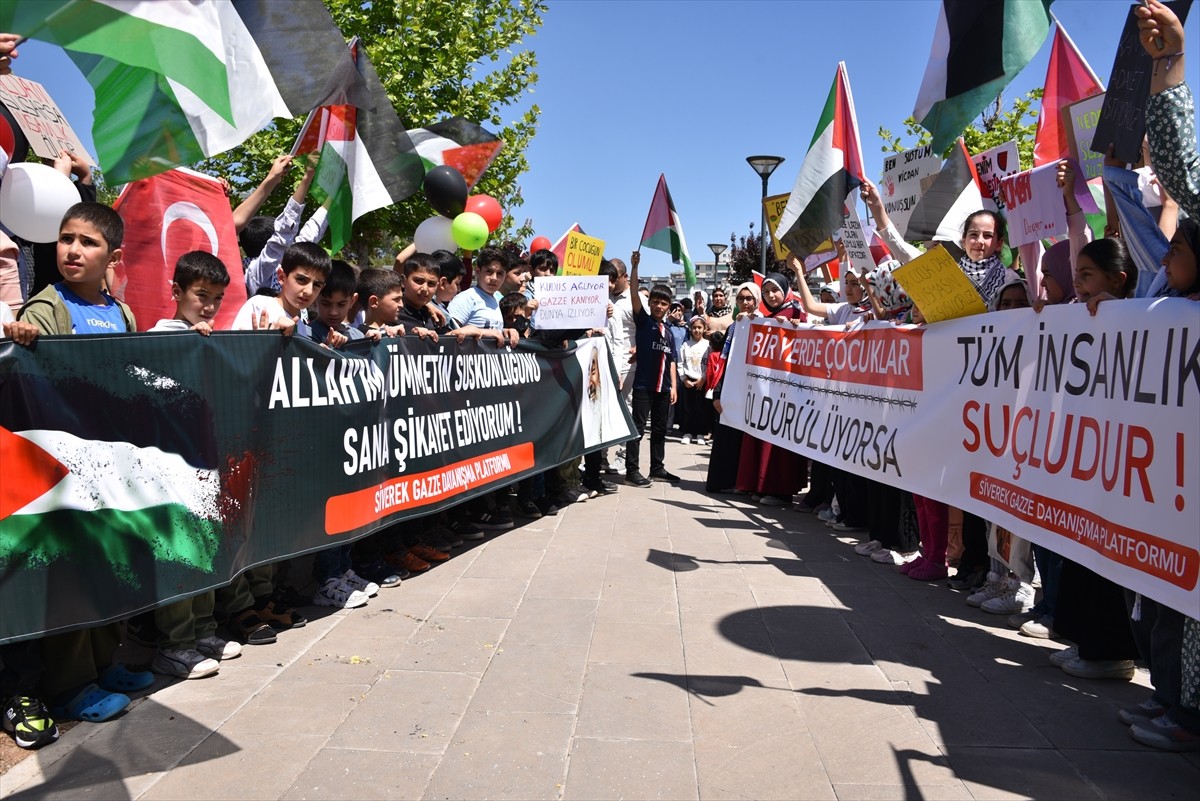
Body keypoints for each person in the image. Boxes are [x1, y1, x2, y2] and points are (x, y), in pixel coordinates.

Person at [13, 202, 153, 732]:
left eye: (88, 242)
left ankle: (102, 664)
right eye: (66, 238)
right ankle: (70, 686)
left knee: (110, 570)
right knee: (71, 575)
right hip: (64, 473)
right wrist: (22, 341)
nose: (73, 250)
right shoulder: (46, 308)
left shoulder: (123, 313)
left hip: (112, 469)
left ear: (113, 257)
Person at [143, 252, 243, 678]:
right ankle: (174, 644)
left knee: (206, 549)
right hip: (168, 470)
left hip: (204, 466)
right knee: (179, 553)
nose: (209, 306)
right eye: (201, 295)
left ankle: (203, 630)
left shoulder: (210, 338)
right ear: (176, 291)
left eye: (217, 298)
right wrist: (187, 346)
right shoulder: (158, 336)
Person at [625, 251, 678, 486]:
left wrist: (673, 387)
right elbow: (633, 293)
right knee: (637, 429)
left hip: (664, 389)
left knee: (659, 430)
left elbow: (672, 360)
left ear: (669, 307)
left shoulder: (670, 333)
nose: (658, 306)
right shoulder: (644, 322)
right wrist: (635, 267)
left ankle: (657, 468)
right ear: (649, 303)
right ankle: (631, 471)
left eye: (663, 303)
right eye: (655, 301)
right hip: (643, 387)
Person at [240, 155, 329, 296]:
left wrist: (332, 199)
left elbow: (310, 233)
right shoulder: (255, 274)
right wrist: (307, 178)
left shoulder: (281, 264)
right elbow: (283, 234)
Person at [447, 246, 518, 345]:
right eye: (489, 271)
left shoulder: (496, 300)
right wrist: (481, 332)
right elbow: (446, 337)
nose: (494, 278)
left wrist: (505, 332)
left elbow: (491, 332)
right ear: (478, 272)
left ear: (505, 276)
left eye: (500, 274)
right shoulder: (466, 298)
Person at [309, 260, 364, 347]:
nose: (333, 312)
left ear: (352, 301)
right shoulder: (306, 335)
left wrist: (371, 343)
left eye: (341, 304)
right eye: (326, 303)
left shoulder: (359, 336)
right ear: (314, 299)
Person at [678, 316, 711, 445]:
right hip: (688, 380)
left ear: (704, 329)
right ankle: (688, 432)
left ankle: (700, 433)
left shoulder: (708, 345)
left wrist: (703, 378)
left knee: (702, 408)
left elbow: (710, 364)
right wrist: (684, 379)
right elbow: (680, 363)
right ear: (690, 329)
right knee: (688, 408)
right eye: (694, 328)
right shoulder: (686, 345)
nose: (697, 330)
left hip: (702, 381)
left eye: (699, 327)